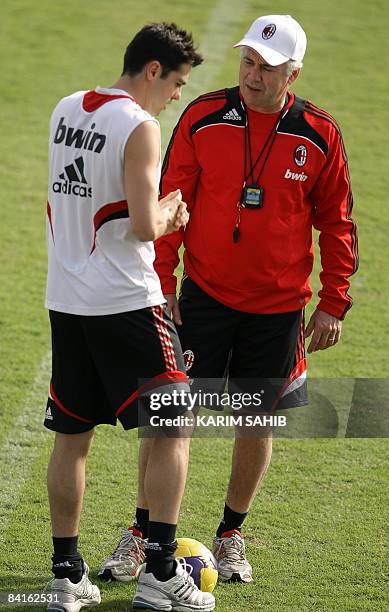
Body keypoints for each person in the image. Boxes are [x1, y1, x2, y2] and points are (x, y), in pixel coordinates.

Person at [100, 14, 358, 586]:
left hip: (279, 308)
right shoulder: (202, 116)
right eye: (247, 61)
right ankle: (142, 535)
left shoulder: (320, 135)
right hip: (203, 299)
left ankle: (231, 533)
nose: (252, 74)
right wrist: (162, 286)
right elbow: (170, 202)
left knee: (255, 420)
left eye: (267, 67)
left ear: (293, 72)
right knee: (168, 417)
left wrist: (334, 301)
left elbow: (337, 223)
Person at [44, 22, 215, 612]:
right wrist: (172, 211)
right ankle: (162, 571)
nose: (176, 96)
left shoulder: (65, 109)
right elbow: (145, 225)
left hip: (66, 300)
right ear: (151, 70)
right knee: (175, 424)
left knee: (71, 437)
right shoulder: (140, 125)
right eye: (176, 83)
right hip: (125, 300)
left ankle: (67, 574)